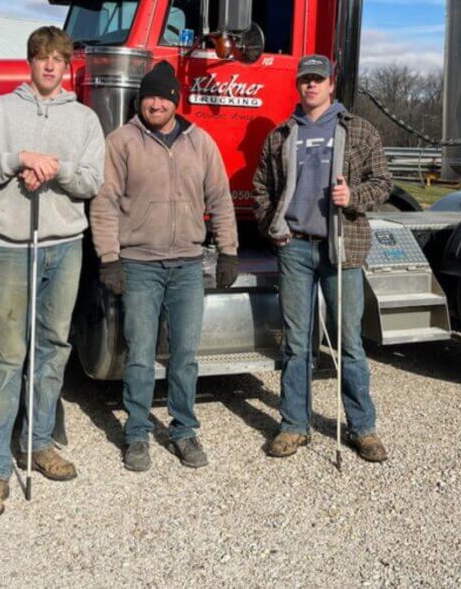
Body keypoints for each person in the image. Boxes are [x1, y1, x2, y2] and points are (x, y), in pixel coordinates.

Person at [0, 26, 105, 521]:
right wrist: (17, 159)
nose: (50, 67)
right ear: (30, 62)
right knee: (7, 354)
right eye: (42, 58)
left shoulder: (85, 118)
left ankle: (39, 442)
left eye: (58, 60)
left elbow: (91, 181)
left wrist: (54, 167)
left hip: (65, 246)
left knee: (52, 348)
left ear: (67, 67)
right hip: (14, 247)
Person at [90, 60, 239, 472]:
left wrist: (228, 251)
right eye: (149, 96)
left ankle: (183, 429)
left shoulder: (201, 143)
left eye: (163, 96)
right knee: (139, 354)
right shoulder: (121, 142)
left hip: (189, 265)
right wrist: (109, 258)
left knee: (185, 354)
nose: (155, 103)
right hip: (139, 265)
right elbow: (103, 203)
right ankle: (137, 433)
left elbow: (221, 200)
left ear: (176, 100)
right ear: (140, 100)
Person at [252, 54, 392, 463]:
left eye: (318, 79)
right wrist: (271, 226)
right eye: (305, 80)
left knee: (349, 343)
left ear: (332, 84)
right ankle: (294, 426)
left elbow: (383, 182)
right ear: (298, 86)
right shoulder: (281, 135)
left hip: (342, 248)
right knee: (296, 345)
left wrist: (354, 198)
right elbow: (262, 185)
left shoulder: (359, 131)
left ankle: (363, 428)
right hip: (294, 247)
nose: (310, 85)